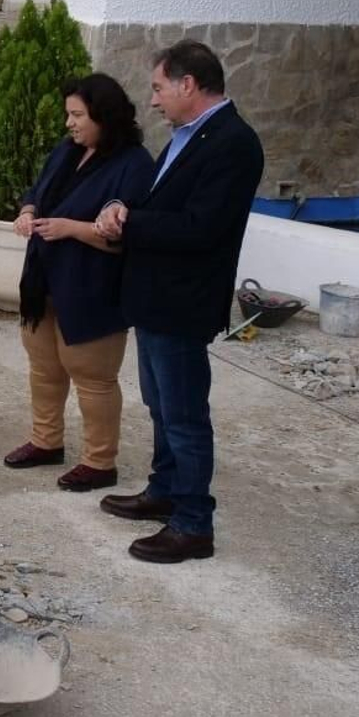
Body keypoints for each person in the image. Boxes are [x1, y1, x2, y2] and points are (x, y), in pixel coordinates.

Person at [94, 40, 264, 564]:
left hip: (183, 301)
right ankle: (163, 490)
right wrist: (125, 207)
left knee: (186, 415)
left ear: (187, 84)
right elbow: (158, 201)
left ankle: (193, 524)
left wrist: (131, 222)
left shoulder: (233, 143)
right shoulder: (187, 137)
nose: (153, 100)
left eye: (158, 87)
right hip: (154, 297)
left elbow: (201, 227)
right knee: (161, 406)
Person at [5, 73, 156, 492]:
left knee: (92, 376)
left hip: (92, 286)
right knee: (44, 369)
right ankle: (46, 440)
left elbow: (128, 233)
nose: (69, 123)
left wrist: (73, 228)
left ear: (104, 117)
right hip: (44, 281)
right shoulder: (68, 151)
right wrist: (28, 210)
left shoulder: (135, 165)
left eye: (77, 115)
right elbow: (37, 191)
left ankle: (99, 461)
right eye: (68, 114)